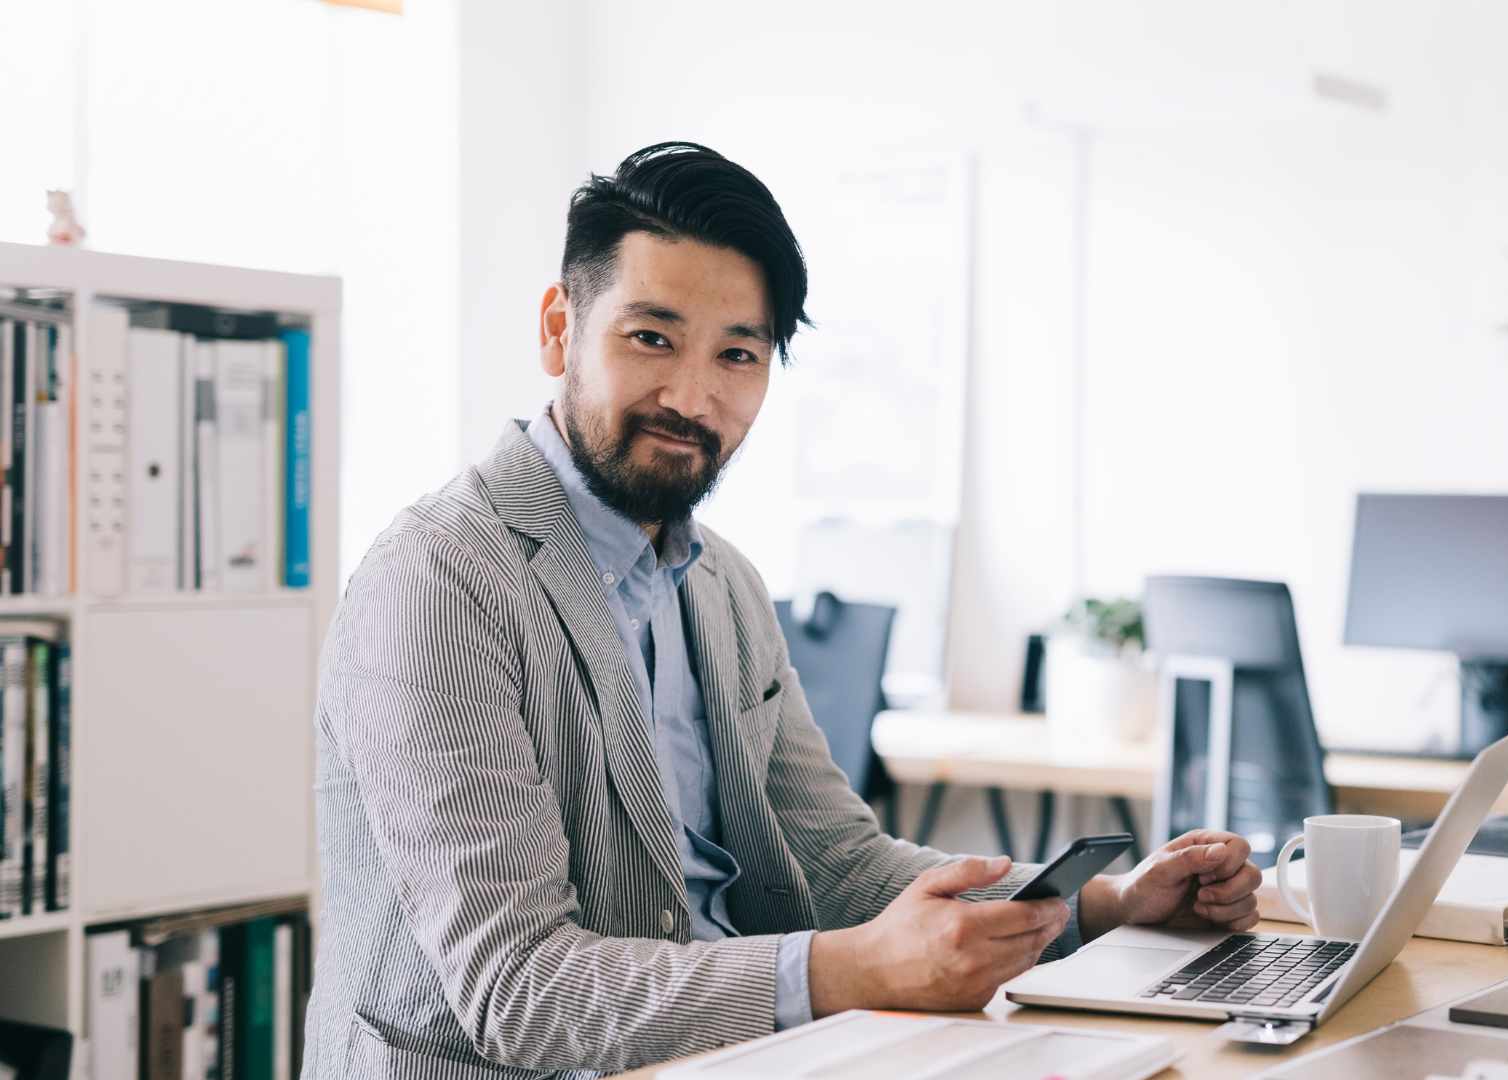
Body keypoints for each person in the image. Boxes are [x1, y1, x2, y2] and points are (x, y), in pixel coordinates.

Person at [303, 141, 1262, 1079]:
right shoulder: (439, 580)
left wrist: (1105, 905)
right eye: (651, 338)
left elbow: (837, 862)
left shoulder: (721, 583)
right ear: (560, 328)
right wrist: (857, 969)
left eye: (738, 354)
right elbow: (515, 988)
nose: (694, 395)